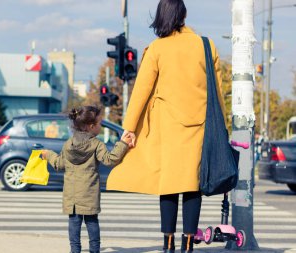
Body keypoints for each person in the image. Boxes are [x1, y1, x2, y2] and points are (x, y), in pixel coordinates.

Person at [106, 1, 226, 252]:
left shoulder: (158, 48)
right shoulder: (206, 45)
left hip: (167, 127)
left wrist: (129, 127)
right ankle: (188, 246)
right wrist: (222, 126)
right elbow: (218, 92)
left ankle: (168, 245)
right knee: (193, 187)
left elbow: (141, 91)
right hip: (200, 126)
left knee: (169, 187)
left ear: (161, 16)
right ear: (183, 14)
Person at [41, 105, 131, 253]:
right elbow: (110, 160)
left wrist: (48, 154)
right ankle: (94, 250)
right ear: (91, 126)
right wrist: (123, 144)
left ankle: (74, 250)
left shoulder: (68, 144)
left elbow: (59, 164)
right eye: (100, 124)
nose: (101, 127)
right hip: (89, 192)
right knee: (92, 222)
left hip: (72, 194)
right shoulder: (96, 144)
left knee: (74, 223)